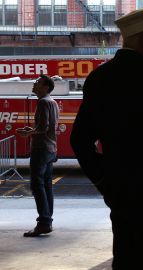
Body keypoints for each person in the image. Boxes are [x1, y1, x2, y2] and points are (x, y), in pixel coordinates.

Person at [70, 3, 143, 269]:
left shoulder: (99, 78)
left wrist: (105, 181)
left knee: (126, 260)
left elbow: (80, 140)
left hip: (122, 197)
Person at [16, 74, 59, 237]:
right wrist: (31, 130)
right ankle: (47, 220)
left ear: (46, 87)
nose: (34, 84)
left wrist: (29, 134)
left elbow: (44, 128)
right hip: (50, 149)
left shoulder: (42, 102)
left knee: (37, 184)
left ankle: (43, 222)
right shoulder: (53, 102)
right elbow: (48, 127)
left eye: (37, 82)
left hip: (41, 149)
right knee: (47, 184)